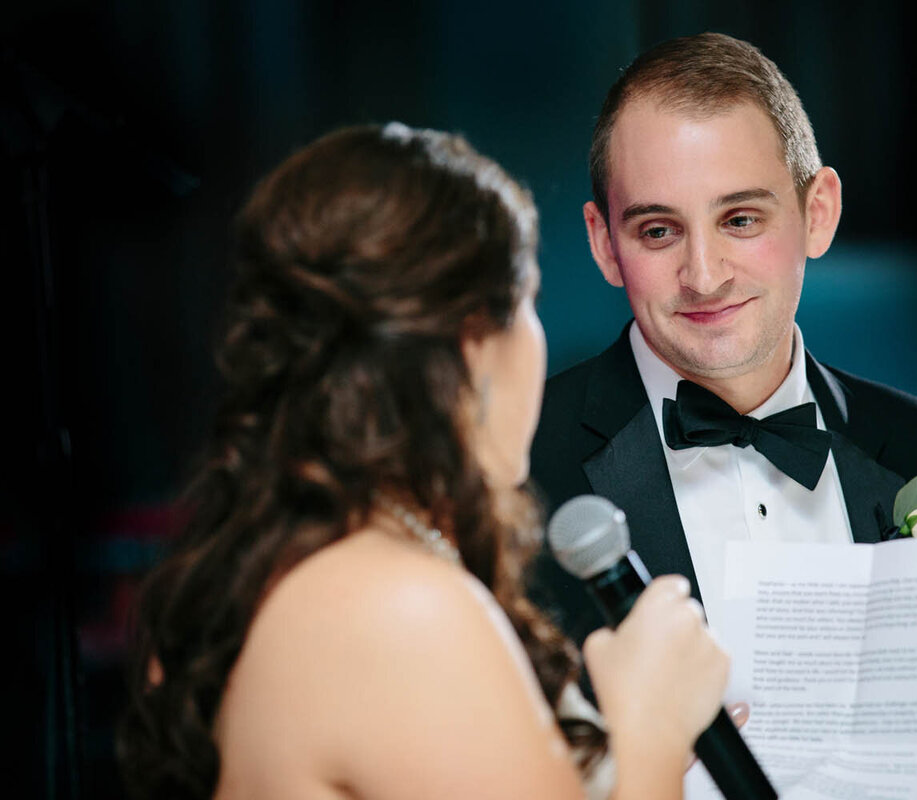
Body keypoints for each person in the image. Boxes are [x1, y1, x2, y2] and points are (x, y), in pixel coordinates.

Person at [116, 123, 732, 800]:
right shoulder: (402, 609)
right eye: (529, 302)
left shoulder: (302, 567)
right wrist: (653, 730)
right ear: (473, 342)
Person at [530, 33, 917, 799]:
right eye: (659, 231)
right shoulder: (515, 464)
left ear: (818, 212)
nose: (703, 276)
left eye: (740, 220)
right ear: (605, 244)